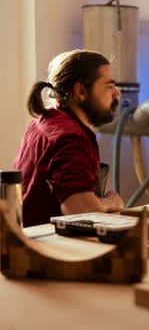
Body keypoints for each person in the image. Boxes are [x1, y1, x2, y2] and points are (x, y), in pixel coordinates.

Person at [13, 49, 125, 226]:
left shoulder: (45, 121)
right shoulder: (69, 138)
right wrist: (112, 202)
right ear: (81, 91)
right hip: (49, 248)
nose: (116, 94)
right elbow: (80, 210)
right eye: (109, 86)